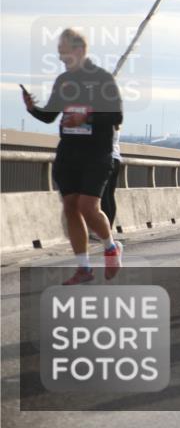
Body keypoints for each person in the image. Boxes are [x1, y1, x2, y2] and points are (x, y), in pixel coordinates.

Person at [23, 28, 123, 285]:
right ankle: (84, 267)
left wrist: (86, 116)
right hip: (69, 152)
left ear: (79, 50)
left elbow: (116, 116)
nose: (60, 58)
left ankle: (111, 247)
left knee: (88, 207)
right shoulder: (63, 81)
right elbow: (50, 115)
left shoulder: (102, 79)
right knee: (70, 207)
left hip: (97, 153)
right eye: (58, 53)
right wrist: (33, 107)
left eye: (63, 53)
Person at [100, 125, 123, 230]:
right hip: (116, 159)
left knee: (104, 196)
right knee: (110, 196)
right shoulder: (116, 123)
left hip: (107, 159)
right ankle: (109, 228)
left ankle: (105, 229)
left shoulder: (106, 120)